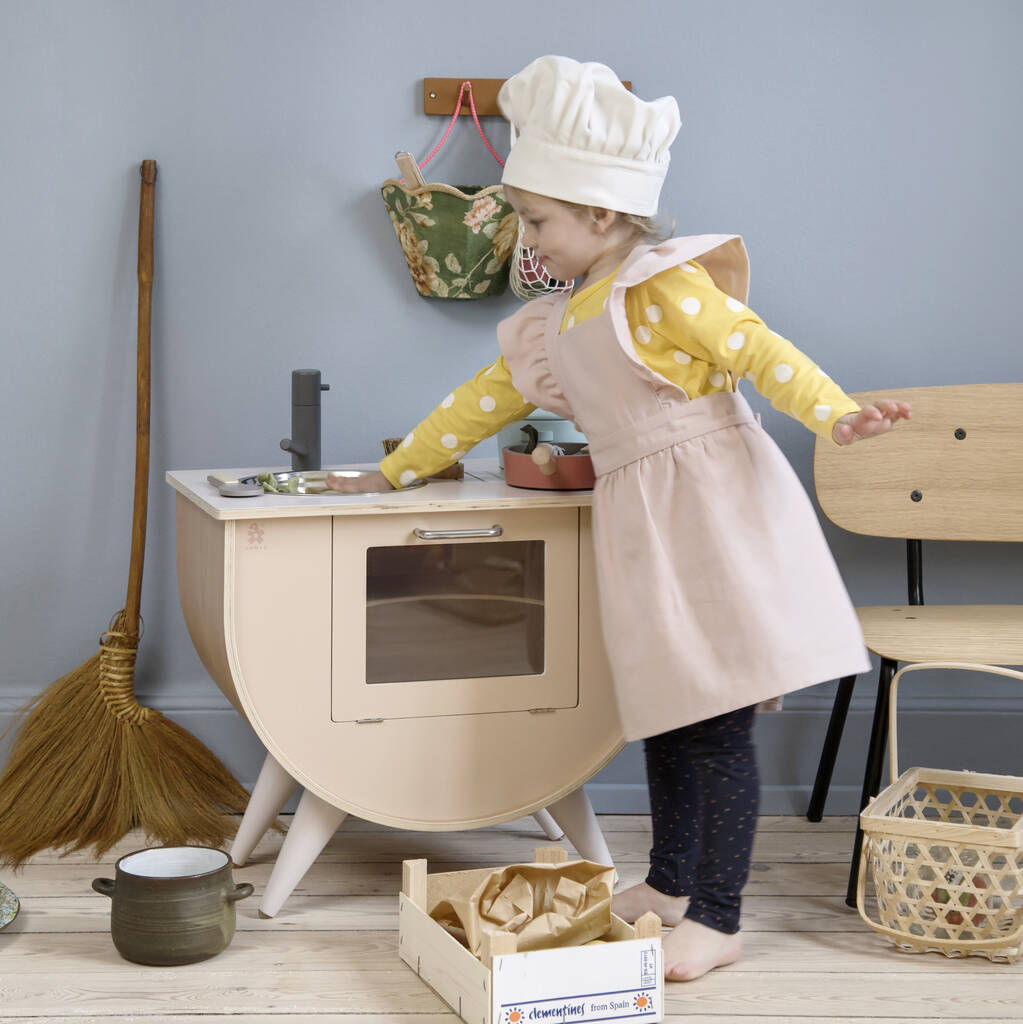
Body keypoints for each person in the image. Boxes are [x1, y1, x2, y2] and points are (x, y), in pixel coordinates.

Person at [333, 56, 911, 980]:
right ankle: (671, 885)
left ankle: (716, 917)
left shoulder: (660, 287)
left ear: (601, 213)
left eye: (536, 220)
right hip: (645, 524)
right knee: (670, 712)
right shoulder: (558, 319)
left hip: (712, 517)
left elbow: (758, 351)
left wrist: (835, 412)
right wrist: (400, 470)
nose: (527, 240)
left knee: (715, 718)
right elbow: (481, 398)